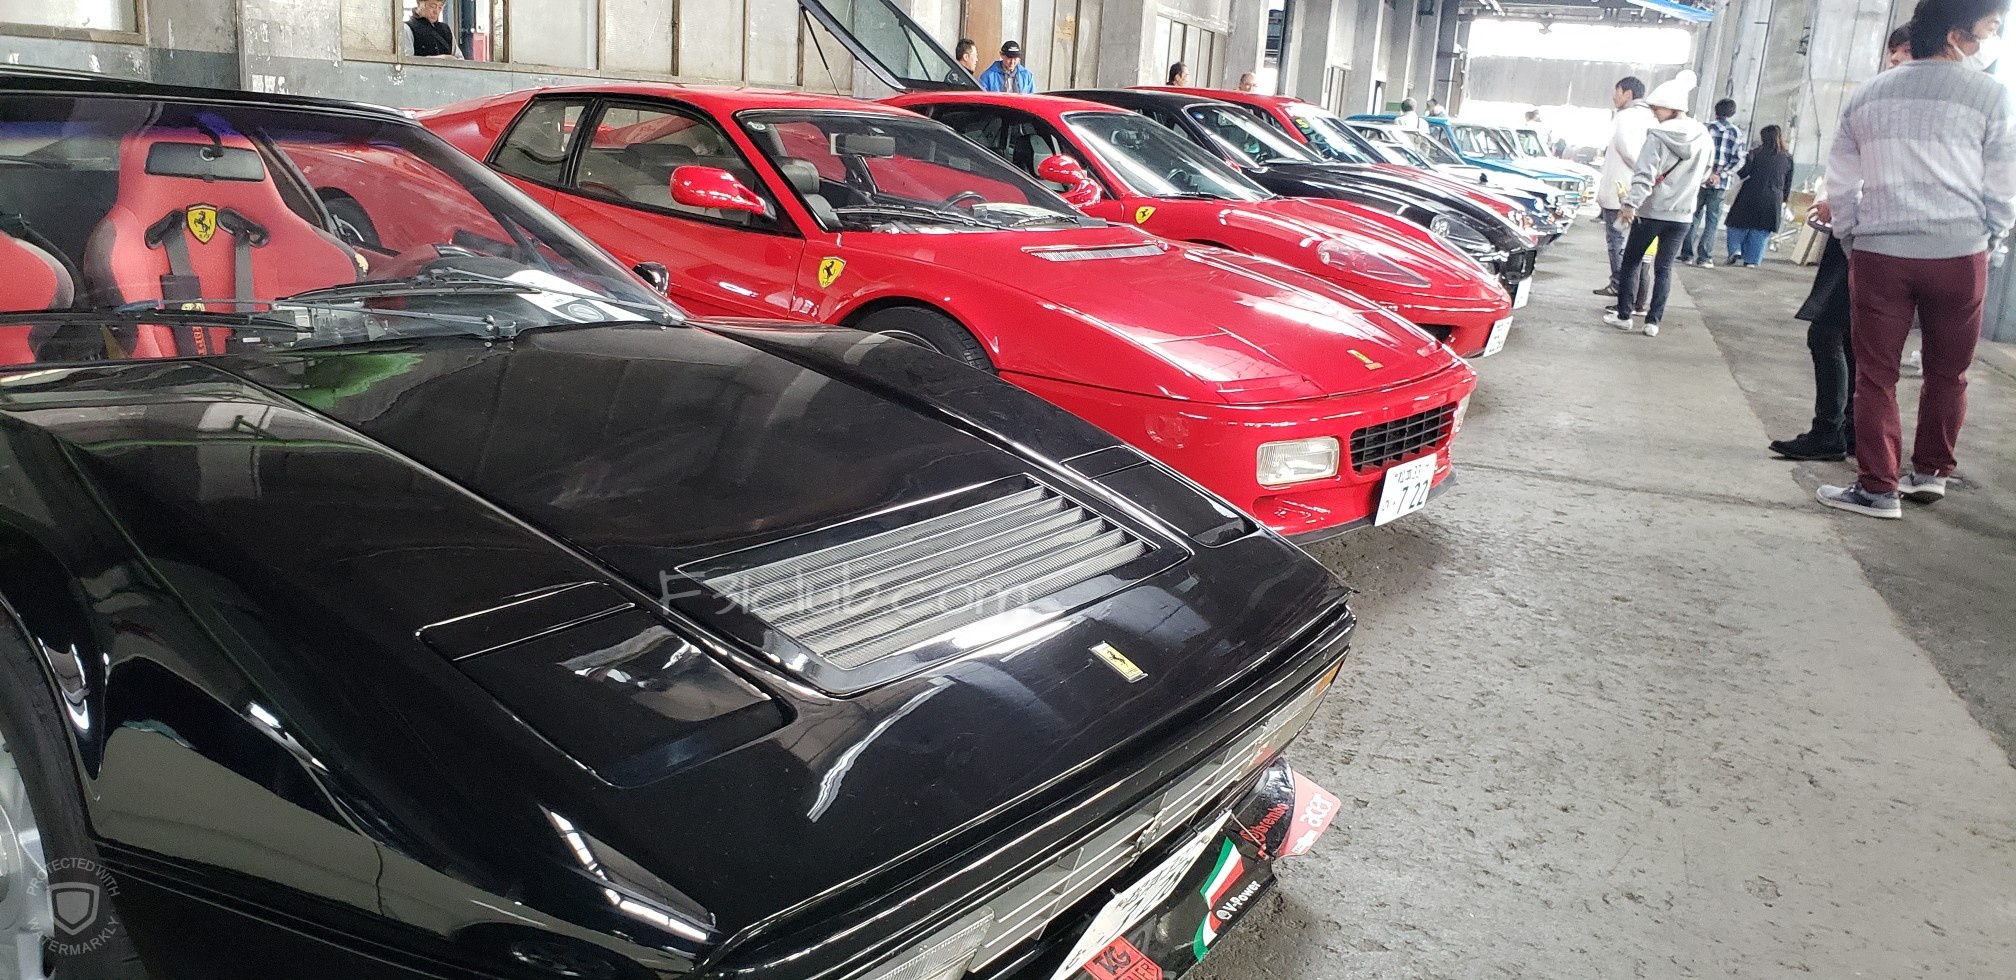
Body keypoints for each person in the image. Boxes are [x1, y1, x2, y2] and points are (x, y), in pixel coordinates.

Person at [1815, 0, 2015, 519]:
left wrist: (1850, 236)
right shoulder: (1990, 94)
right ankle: (1930, 473)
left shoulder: (1868, 93)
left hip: (1882, 252)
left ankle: (1878, 488)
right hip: (1959, 252)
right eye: (1988, 29)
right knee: (1949, 372)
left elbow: (1842, 181)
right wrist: (1990, 235)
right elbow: (2003, 181)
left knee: (1876, 375)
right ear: (1954, 33)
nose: (1989, 40)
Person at [1770, 25, 1914, 463]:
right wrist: (1838, 202)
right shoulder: (1884, 101)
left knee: (1828, 334)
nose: (1894, 62)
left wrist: (1848, 206)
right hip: (1859, 234)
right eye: (1892, 54)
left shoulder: (1902, 107)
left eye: (1904, 54)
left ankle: (1830, 432)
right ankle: (1851, 431)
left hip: (1871, 239)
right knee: (1851, 339)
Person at [1604, 70, 1710, 338]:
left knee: (1631, 262)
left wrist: (1630, 204)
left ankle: (1624, 316)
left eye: (1657, 108)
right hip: (1682, 215)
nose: (1654, 113)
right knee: (1664, 268)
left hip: (1650, 212)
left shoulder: (1658, 135)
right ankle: (1653, 322)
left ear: (1673, 108)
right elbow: (1706, 172)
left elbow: (1645, 174)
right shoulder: (1702, 135)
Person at [1594, 76, 1654, 296]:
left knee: (1617, 241)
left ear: (1628, 93)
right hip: (1642, 190)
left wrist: (1641, 170)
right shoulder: (1652, 117)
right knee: (1637, 245)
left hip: (1621, 190)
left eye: (1616, 92)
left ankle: (1620, 286)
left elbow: (1626, 149)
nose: (1614, 96)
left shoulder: (1625, 116)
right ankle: (1633, 292)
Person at [1679, 99, 1743, 267]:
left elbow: (1693, 154)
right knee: (1713, 221)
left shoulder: (1704, 129)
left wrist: (1706, 173)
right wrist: (1720, 175)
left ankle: (1686, 255)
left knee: (1693, 216)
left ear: (1716, 111)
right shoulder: (1737, 133)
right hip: (1721, 183)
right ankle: (1705, 257)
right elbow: (1739, 161)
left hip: (1699, 181)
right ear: (1732, 113)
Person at [1723, 125, 1795, 266]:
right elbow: (1788, 181)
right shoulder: (1787, 158)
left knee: (1736, 225)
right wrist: (1784, 199)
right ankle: (1751, 260)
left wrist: (1744, 160)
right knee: (1761, 231)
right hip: (1773, 198)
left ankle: (1735, 250)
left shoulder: (1755, 153)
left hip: (1750, 194)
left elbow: (1744, 173)